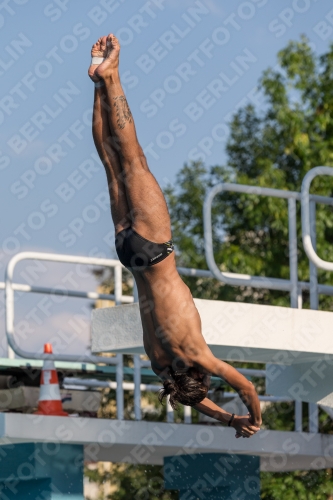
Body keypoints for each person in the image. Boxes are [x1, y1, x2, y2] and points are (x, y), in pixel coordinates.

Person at [89, 34, 261, 439]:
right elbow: (190, 397)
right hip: (129, 252)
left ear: (200, 372)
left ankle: (111, 77)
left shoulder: (197, 355)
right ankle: (98, 82)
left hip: (155, 248)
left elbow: (247, 387)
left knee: (132, 158)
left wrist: (251, 417)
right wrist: (229, 420)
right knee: (110, 165)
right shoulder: (160, 363)